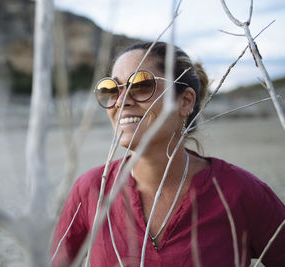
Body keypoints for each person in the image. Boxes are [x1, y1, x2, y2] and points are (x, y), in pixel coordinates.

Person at [50, 41, 285, 267]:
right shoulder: (91, 191)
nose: (121, 101)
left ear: (185, 101)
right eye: (110, 89)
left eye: (141, 85)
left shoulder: (238, 192)